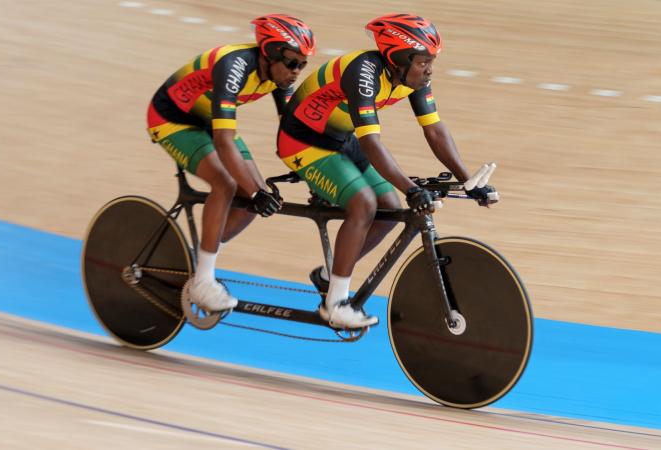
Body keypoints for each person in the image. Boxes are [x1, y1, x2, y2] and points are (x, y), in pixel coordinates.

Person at [276, 13, 497, 329]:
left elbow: (434, 130)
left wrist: (468, 180)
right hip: (301, 140)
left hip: (338, 139)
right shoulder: (362, 72)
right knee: (364, 204)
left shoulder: (413, 77)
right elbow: (372, 143)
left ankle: (328, 276)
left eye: (431, 61)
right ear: (398, 59)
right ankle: (335, 304)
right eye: (423, 62)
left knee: (390, 209)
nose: (429, 69)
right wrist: (411, 189)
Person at [147, 14, 316, 312]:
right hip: (174, 119)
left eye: (303, 65)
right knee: (227, 184)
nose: (297, 72)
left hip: (209, 121)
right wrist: (254, 190)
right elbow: (225, 142)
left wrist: (308, 173)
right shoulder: (234, 66)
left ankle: (198, 263)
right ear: (270, 53)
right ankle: (202, 282)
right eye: (292, 63)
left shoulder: (279, 75)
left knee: (257, 197)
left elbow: (291, 132)